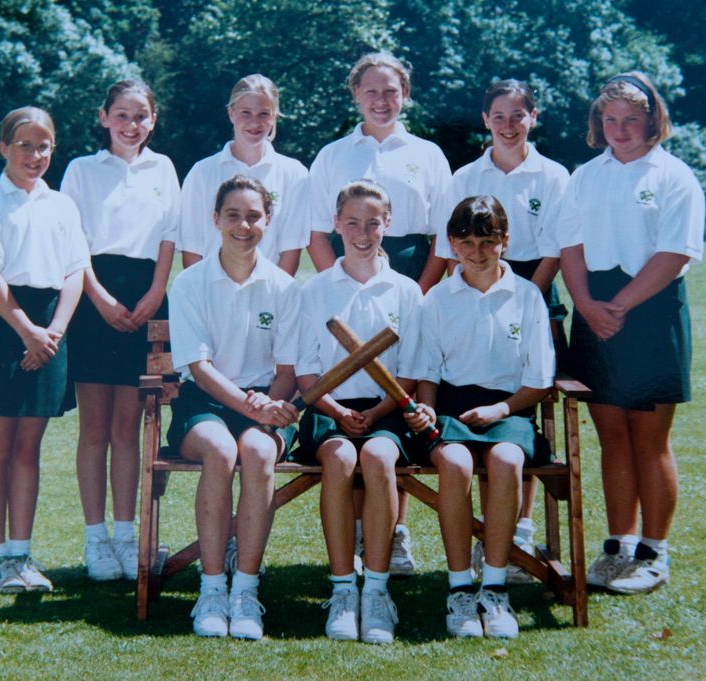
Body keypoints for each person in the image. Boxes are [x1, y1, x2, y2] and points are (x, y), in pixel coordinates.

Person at [556, 72, 705, 594]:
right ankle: (618, 548)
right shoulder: (584, 176)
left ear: (652, 120)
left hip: (650, 311)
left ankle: (654, 554)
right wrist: (585, 306)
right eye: (610, 120)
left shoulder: (675, 176)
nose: (620, 130)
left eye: (631, 120)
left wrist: (617, 306)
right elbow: (570, 247)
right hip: (594, 311)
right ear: (599, 123)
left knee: (649, 438)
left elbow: (675, 253)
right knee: (612, 436)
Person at [307, 51, 451, 574]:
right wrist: (341, 288)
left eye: (391, 90)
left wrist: (414, 293)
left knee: (393, 392)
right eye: (371, 90)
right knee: (352, 398)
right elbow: (316, 233)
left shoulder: (428, 154)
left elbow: (441, 239)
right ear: (355, 95)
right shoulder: (333, 155)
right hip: (345, 275)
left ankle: (394, 532)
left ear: (405, 94)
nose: (381, 100)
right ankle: (355, 535)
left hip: (409, 275)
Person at [0, 106, 90, 593]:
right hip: (1, 324)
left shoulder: (62, 205)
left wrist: (53, 332)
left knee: (29, 450)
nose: (35, 155)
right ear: (4, 147)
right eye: (24, 145)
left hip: (50, 329)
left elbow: (75, 271)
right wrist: (27, 331)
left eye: (44, 146)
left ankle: (21, 556)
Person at [432, 79, 570, 584]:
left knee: (520, 404)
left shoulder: (554, 175)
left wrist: (519, 294)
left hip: (531, 282)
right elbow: (454, 249)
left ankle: (519, 532)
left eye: (518, 115)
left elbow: (555, 248)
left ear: (534, 117)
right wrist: (475, 293)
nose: (508, 125)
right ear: (485, 120)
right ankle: (484, 544)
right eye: (499, 116)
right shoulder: (465, 176)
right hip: (474, 281)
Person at [406, 195, 555, 639]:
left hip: (509, 407)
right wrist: (427, 407)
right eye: (466, 242)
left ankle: (494, 587)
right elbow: (427, 370)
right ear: (451, 244)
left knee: (507, 461)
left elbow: (540, 379)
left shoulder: (527, 296)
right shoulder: (437, 299)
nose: (477, 252)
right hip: (451, 409)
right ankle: (459, 589)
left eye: (488, 241)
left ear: (505, 242)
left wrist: (501, 409)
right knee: (455, 464)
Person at [168, 175, 301, 640]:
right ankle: (211, 589)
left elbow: (287, 369)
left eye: (253, 216)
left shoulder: (285, 287)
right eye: (233, 216)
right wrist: (251, 407)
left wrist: (270, 404)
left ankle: (245, 590)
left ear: (268, 220)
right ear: (216, 220)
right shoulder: (190, 283)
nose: (243, 226)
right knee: (221, 450)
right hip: (206, 402)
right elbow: (199, 369)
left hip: (267, 400)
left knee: (259, 452)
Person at [60, 79, 180, 581]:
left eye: (141, 116)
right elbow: (72, 242)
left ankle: (128, 537)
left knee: (129, 428)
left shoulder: (164, 167)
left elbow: (169, 237)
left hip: (146, 295)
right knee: (95, 428)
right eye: (122, 115)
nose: (132, 125)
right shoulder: (81, 170)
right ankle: (96, 539)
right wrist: (100, 298)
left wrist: (155, 293)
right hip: (94, 300)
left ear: (154, 120)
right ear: (104, 117)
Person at [294, 180, 423, 644]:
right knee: (341, 457)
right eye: (352, 223)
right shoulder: (315, 290)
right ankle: (344, 590)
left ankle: (377, 592)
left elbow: (410, 371)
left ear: (388, 224)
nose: (362, 233)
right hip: (329, 407)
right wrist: (335, 410)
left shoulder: (407, 291)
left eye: (373, 223)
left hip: (387, 408)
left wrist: (382, 409)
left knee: (378, 456)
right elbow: (306, 372)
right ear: (335, 225)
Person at [177, 74, 308, 275]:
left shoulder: (294, 174)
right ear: (231, 113)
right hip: (211, 288)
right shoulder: (202, 173)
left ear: (274, 116)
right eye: (246, 112)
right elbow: (192, 248)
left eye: (264, 113)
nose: (255, 122)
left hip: (269, 290)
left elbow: (291, 250)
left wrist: (270, 293)